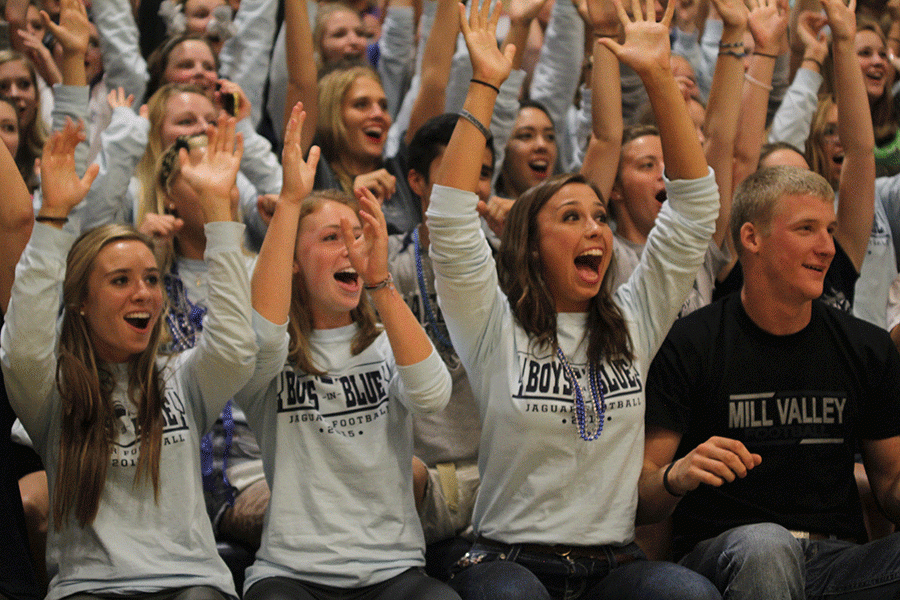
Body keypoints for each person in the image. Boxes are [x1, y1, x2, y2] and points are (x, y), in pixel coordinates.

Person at [426, 0, 723, 596]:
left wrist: (660, 76)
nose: (594, 229)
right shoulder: (493, 325)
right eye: (570, 217)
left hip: (611, 562)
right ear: (532, 248)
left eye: (599, 217)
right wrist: (485, 83)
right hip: (509, 561)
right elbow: (450, 221)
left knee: (688, 594)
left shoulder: (633, 321)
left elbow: (693, 211)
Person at [0, 116, 256, 600]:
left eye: (152, 279)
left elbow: (236, 345)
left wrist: (221, 214)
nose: (144, 295)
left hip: (192, 583)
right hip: (90, 588)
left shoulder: (182, 376)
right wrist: (53, 220)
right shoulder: (52, 388)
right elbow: (23, 342)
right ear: (80, 300)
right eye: (120, 281)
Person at [641, 165, 900, 599]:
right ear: (751, 238)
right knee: (767, 545)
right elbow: (643, 495)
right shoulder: (691, 344)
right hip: (726, 559)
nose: (827, 248)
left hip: (838, 561)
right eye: (806, 229)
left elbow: (890, 482)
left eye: (831, 230)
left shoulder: (866, 347)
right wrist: (677, 474)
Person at [233, 103, 457, 600]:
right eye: (332, 238)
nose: (351, 250)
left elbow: (432, 396)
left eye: (358, 237)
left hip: (393, 569)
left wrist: (380, 283)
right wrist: (291, 203)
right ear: (292, 262)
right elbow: (265, 331)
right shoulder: (268, 358)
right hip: (292, 572)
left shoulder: (387, 338)